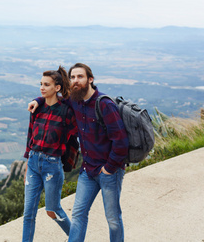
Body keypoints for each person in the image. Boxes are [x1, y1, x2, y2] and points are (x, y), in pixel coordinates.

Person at [28, 63, 129, 242]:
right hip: (88, 171)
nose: (76, 81)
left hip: (108, 171)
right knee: (78, 215)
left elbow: (121, 141)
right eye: (73, 77)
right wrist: (38, 99)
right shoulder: (74, 101)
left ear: (90, 79)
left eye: (80, 77)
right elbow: (52, 98)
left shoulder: (104, 104)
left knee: (112, 218)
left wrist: (108, 168)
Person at [22, 66, 78, 242]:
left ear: (57, 88)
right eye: (41, 84)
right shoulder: (36, 108)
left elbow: (78, 128)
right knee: (28, 213)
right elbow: (30, 137)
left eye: (46, 85)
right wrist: (26, 167)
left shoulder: (66, 112)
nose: (42, 88)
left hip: (52, 166)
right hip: (33, 163)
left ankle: (76, 238)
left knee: (53, 210)